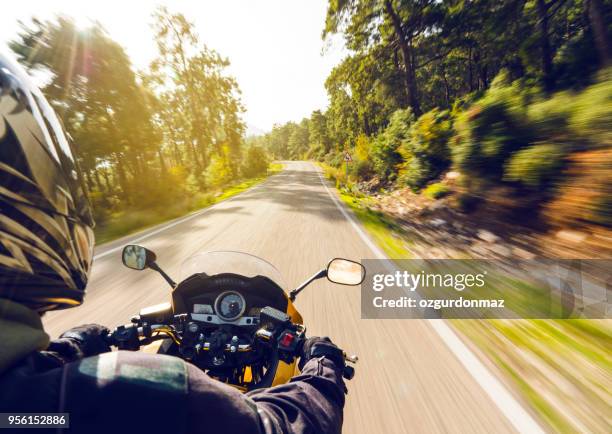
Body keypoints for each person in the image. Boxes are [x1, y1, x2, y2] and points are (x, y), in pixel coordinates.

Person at [0, 49, 347, 433]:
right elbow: (288, 425)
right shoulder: (123, 393)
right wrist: (323, 365)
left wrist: (72, 346)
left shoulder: (29, 409)